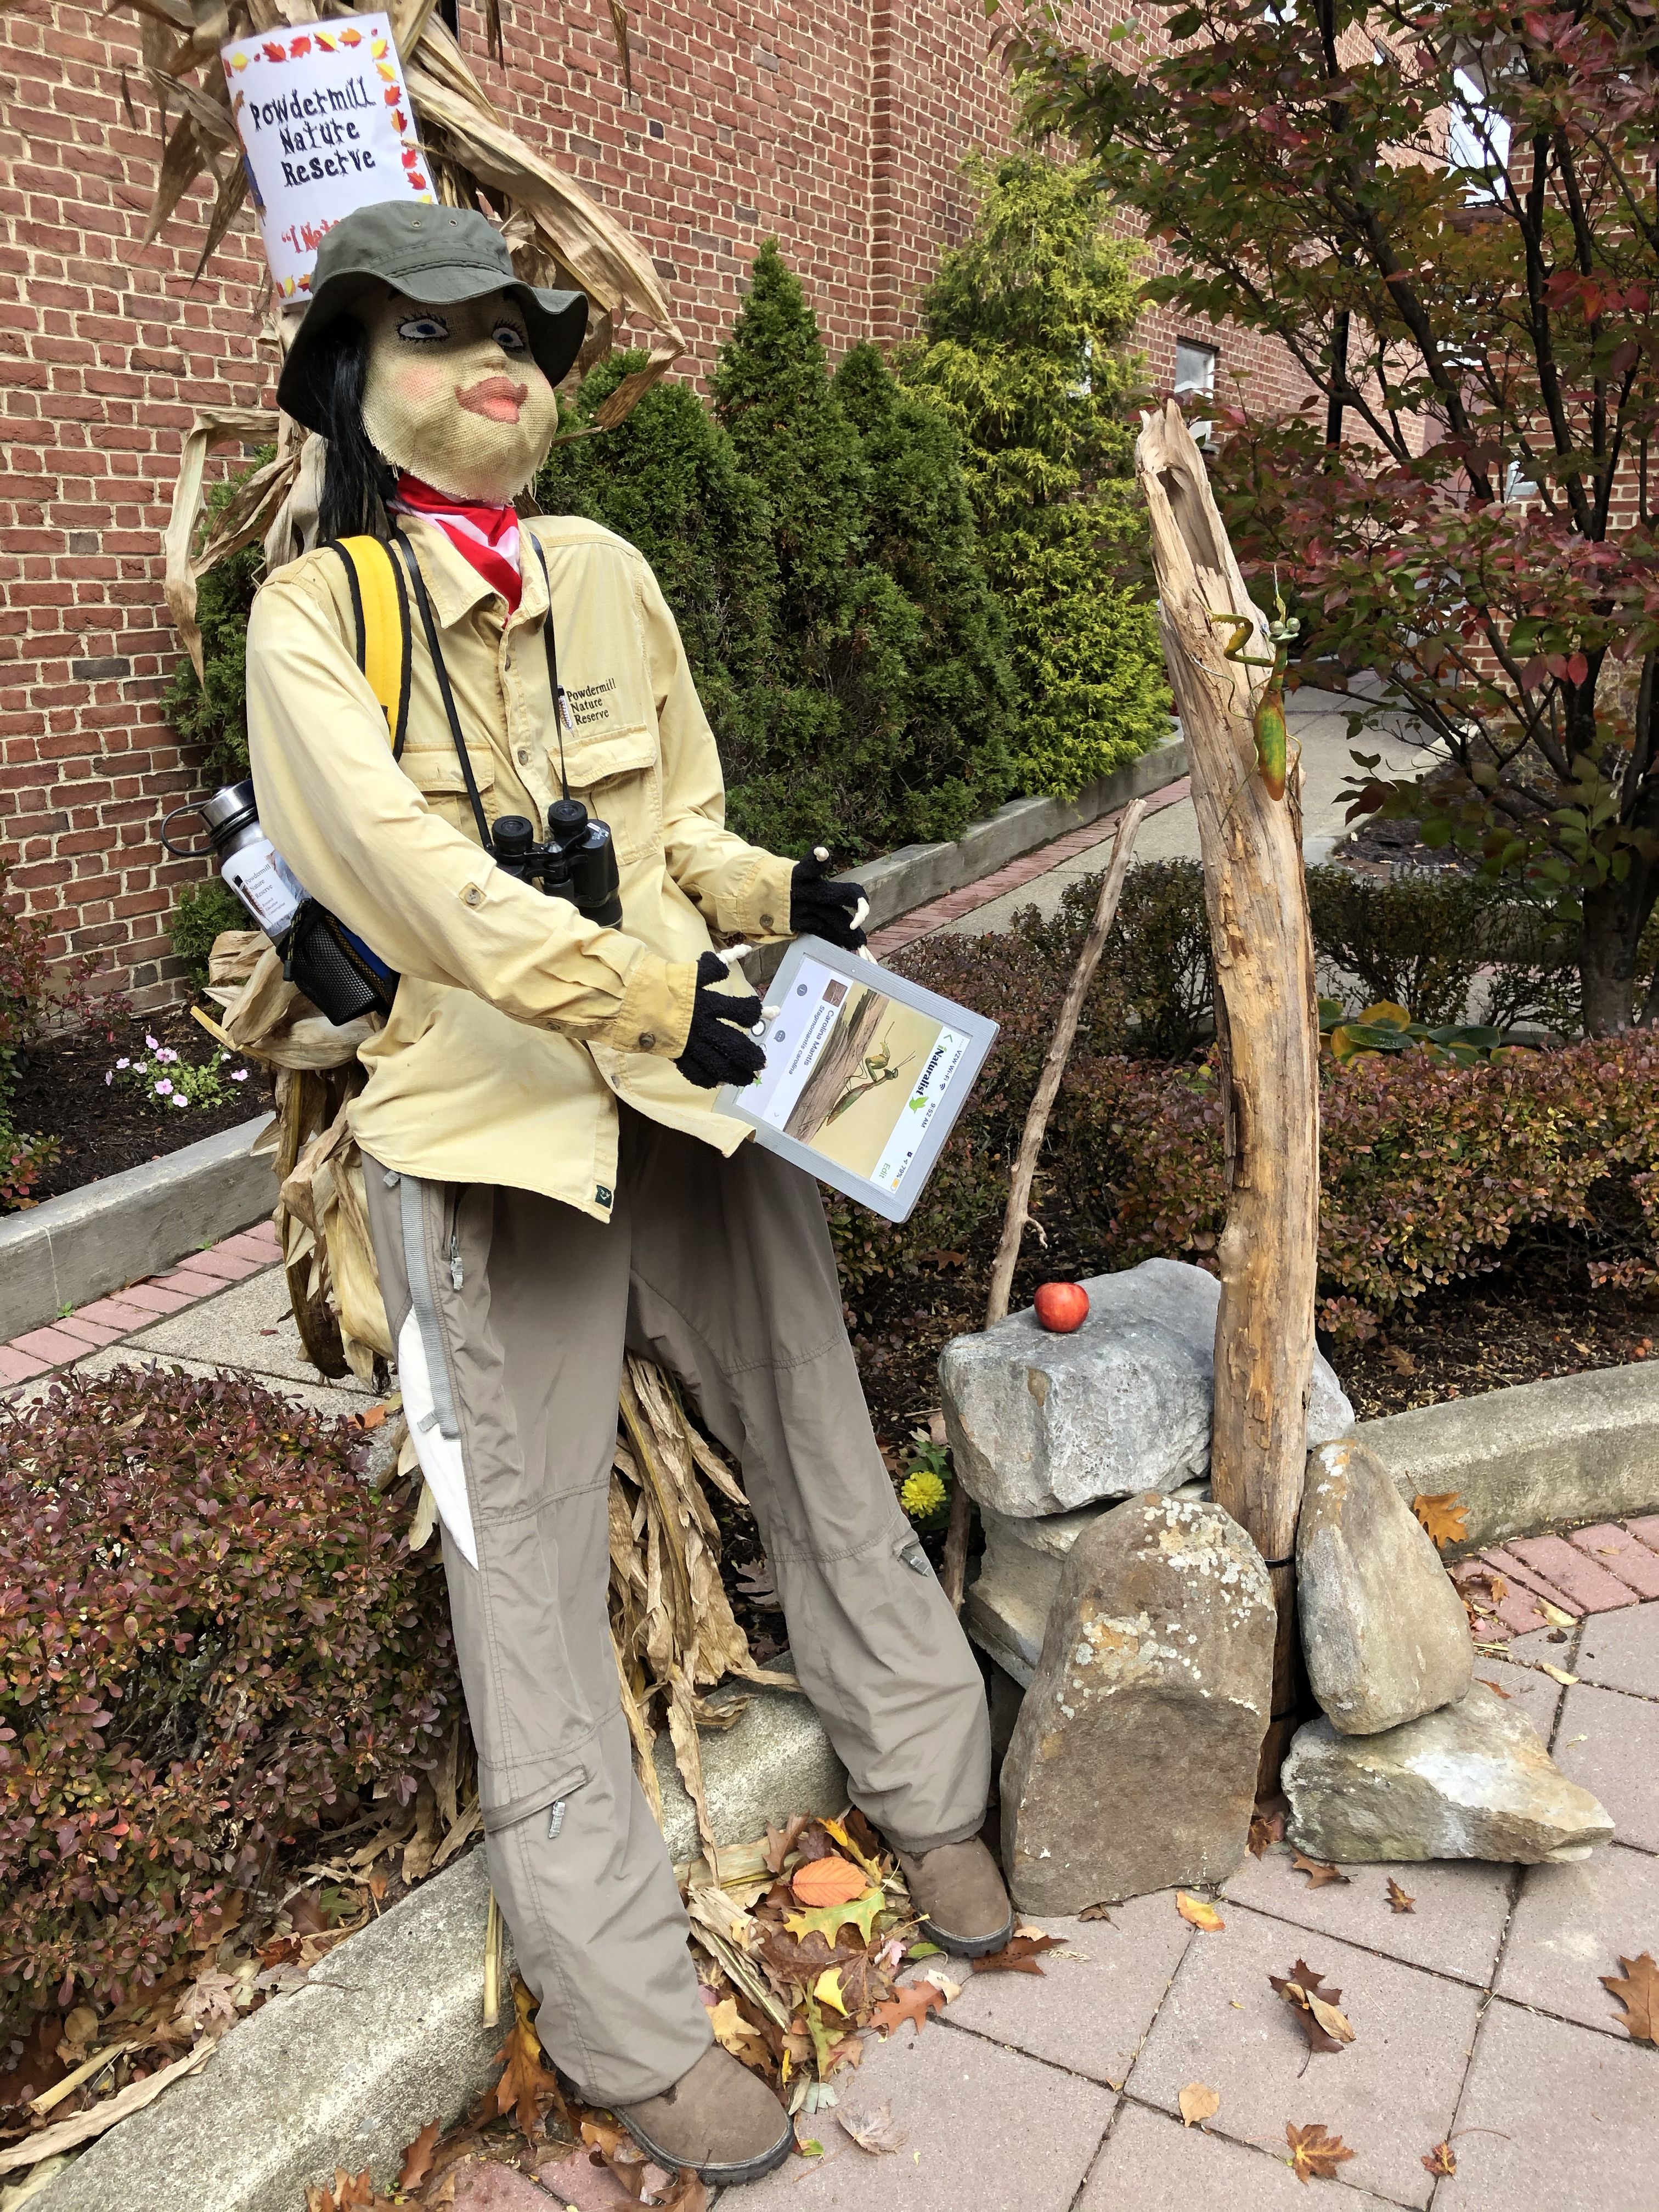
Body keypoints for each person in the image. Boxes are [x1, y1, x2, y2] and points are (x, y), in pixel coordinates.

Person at [245, 201, 1008, 2188]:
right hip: (492, 1133)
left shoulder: (603, 571)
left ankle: (934, 1783)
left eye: (515, 332)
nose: (492, 363)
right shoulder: (314, 619)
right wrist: (650, 989)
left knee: (820, 1428)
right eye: (435, 335)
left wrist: (779, 894)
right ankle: (626, 2024)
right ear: (354, 380)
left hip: (698, 1082)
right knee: (529, 1568)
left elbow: (682, 827)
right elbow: (419, 888)